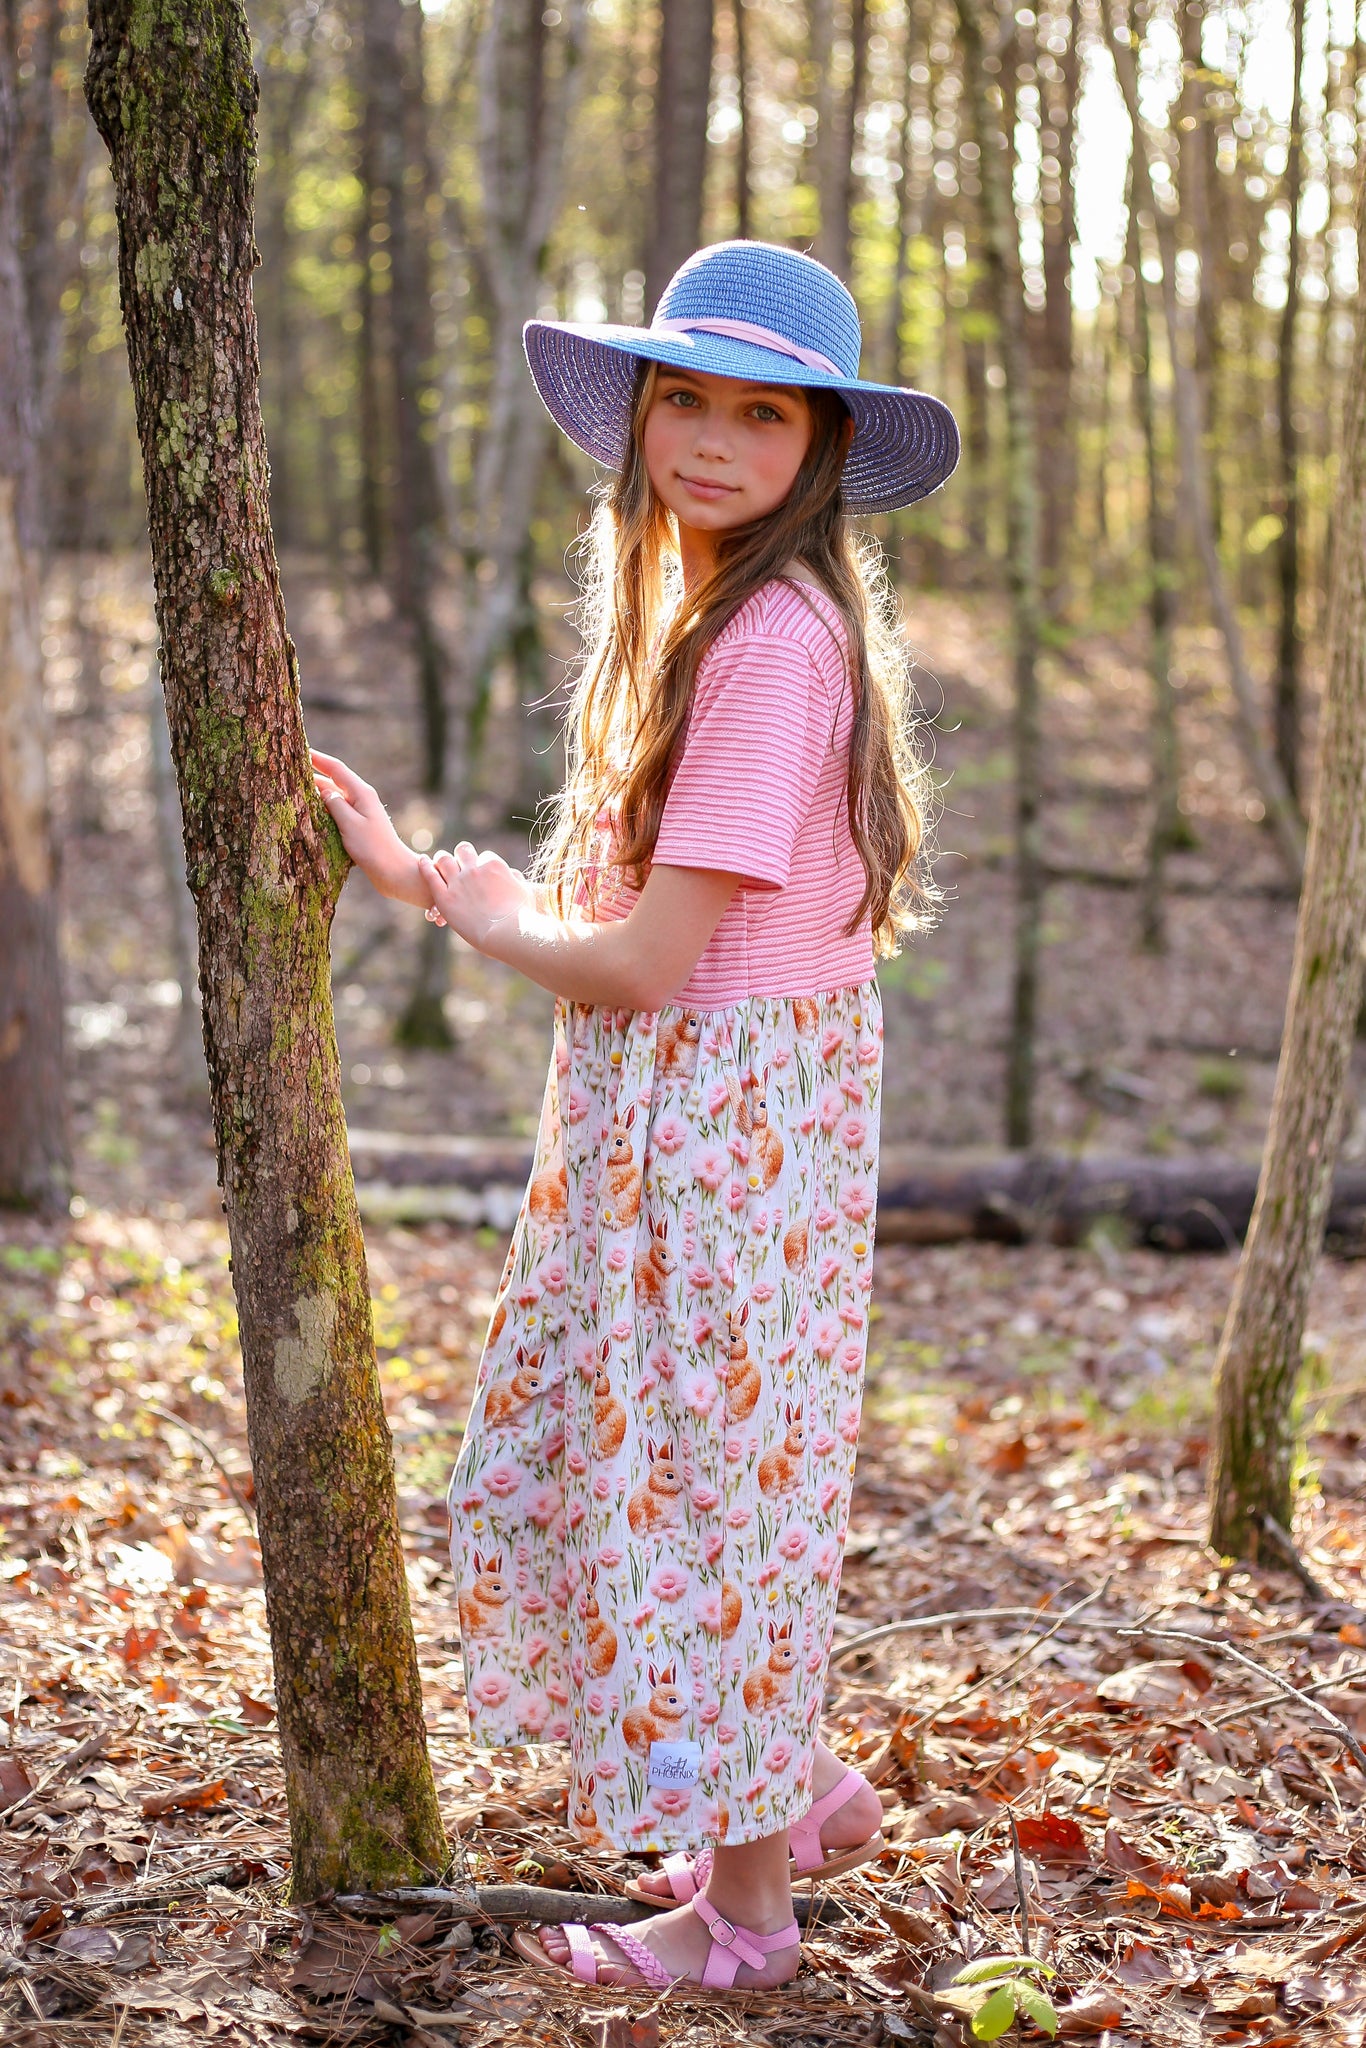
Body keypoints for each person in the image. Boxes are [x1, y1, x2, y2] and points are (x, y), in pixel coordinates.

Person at [312, 238, 958, 1995]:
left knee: (696, 1493)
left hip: (718, 1129)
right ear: (642, 415)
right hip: (707, 1112)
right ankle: (783, 1789)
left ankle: (744, 1920)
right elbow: (645, 927)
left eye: (764, 416)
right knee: (697, 1474)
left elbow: (654, 966)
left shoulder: (770, 645)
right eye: (687, 401)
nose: (714, 443)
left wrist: (470, 917)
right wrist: (431, 877)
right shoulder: (716, 617)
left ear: (821, 448)